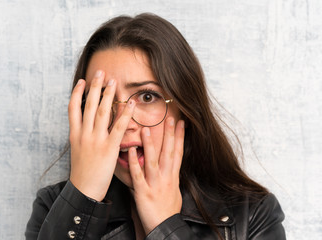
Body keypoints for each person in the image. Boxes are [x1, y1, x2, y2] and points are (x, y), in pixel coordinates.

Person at [25, 13, 285, 240]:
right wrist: (83, 195)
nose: (122, 122)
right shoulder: (53, 207)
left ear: (185, 106)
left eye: (147, 97)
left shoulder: (254, 214)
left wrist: (165, 226)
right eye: (102, 99)